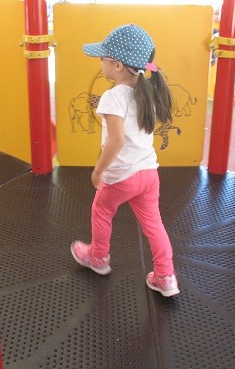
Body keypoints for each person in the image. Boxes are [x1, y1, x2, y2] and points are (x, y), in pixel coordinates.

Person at [70, 24, 179, 297]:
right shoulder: (148, 91)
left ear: (117, 65)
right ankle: (166, 277)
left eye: (103, 58)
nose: (101, 62)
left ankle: (98, 258)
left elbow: (115, 141)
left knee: (102, 212)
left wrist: (98, 171)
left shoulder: (112, 96)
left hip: (122, 177)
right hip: (148, 174)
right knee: (154, 224)